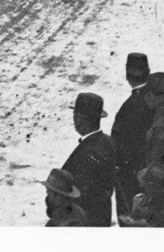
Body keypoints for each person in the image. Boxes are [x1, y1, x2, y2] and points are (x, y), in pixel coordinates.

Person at [110, 52, 154, 219]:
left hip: (129, 175)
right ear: (148, 72)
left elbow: (120, 142)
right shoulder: (153, 99)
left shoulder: (129, 107)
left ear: (127, 74)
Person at [61, 91, 115, 227]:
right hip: (103, 215)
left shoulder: (87, 152)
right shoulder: (109, 142)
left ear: (79, 118)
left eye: (75, 115)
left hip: (84, 221)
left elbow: (78, 193)